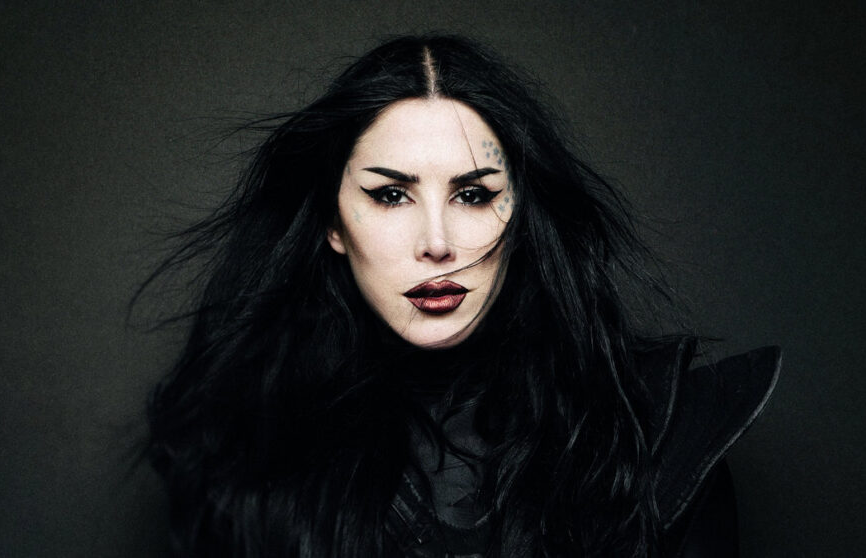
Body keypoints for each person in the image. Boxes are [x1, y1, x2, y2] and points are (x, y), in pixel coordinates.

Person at [144, 34, 780, 557]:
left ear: (521, 212)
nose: (437, 243)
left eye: (473, 195)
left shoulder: (659, 432)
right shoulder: (248, 447)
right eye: (391, 195)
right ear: (332, 224)